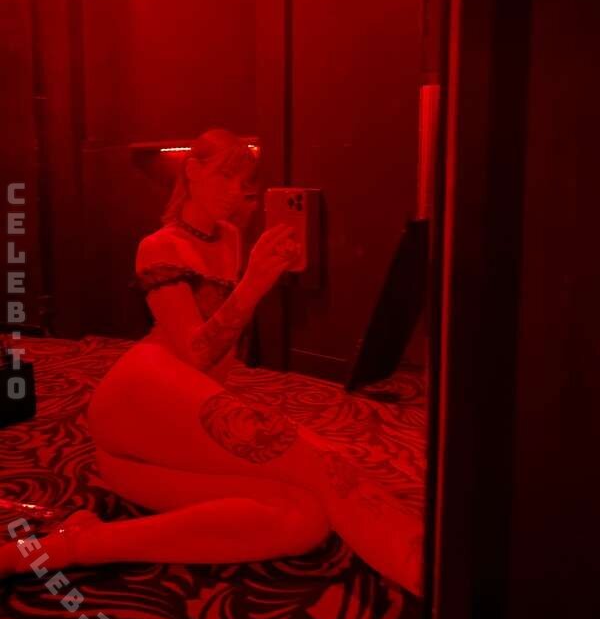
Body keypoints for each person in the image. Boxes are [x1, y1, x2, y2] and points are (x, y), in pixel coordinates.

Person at [0, 129, 422, 595]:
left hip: (180, 410)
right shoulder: (159, 246)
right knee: (320, 461)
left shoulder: (231, 238)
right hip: (143, 392)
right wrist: (255, 283)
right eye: (224, 176)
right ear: (192, 171)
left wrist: (254, 284)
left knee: (303, 518)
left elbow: (224, 349)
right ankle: (426, 566)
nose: (235, 191)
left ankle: (74, 546)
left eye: (243, 181)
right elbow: (195, 353)